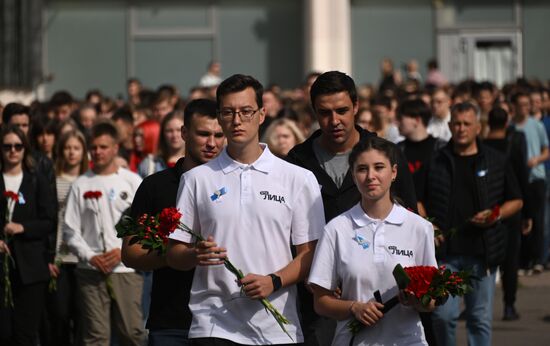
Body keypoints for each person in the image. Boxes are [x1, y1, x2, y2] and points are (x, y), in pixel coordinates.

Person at [166, 74, 325, 345]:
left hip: (277, 329)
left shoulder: (298, 178)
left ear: (262, 114)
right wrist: (195, 253)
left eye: (246, 111)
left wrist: (273, 281)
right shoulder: (195, 179)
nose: (237, 120)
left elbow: (310, 254)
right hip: (213, 325)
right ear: (219, 116)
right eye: (228, 112)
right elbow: (174, 254)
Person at [286, 71, 417, 346]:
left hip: (381, 297)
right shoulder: (297, 161)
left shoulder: (385, 155)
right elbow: (286, 231)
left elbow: (410, 224)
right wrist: (316, 276)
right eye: (325, 113)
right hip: (317, 299)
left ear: (356, 106)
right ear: (314, 112)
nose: (334, 121)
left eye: (342, 110)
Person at [308, 136, 437, 346]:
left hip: (407, 341)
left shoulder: (419, 228)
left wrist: (417, 301)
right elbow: (321, 302)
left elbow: (431, 300)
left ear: (394, 172)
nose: (371, 176)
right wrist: (353, 308)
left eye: (379, 167)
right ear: (353, 175)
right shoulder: (336, 229)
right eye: (362, 169)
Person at [122, 98, 225, 346]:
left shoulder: (236, 184)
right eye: (203, 134)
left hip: (225, 322)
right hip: (171, 321)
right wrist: (176, 255)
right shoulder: (155, 186)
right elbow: (130, 252)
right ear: (184, 133)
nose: (212, 143)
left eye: (219, 135)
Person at [420, 102, 523, 346]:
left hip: (482, 253)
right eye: (456, 123)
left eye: (467, 124)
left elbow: (517, 200)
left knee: (479, 318)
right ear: (449, 125)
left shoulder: (496, 160)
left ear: (479, 127)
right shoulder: (437, 160)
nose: (461, 129)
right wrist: (428, 225)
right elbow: (418, 198)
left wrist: (495, 214)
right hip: (445, 254)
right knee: (443, 316)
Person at [63, 121, 146, 346]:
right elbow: (70, 230)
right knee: (96, 336)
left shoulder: (131, 181)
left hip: (125, 268)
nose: (97, 152)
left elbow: (146, 223)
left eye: (103, 147)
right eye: (94, 147)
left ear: (115, 148)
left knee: (132, 333)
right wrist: (90, 256)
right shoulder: (81, 183)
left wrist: (124, 252)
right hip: (91, 270)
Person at [0, 125, 56, 345]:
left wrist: (23, 228)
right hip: (3, 265)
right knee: (4, 331)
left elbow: (49, 220)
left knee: (25, 331)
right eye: (7, 146)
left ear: (25, 149)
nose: (13, 151)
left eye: (18, 146)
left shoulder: (36, 179)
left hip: (31, 266)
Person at [42, 130, 89, 345]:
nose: (72, 153)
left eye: (76, 148)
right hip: (59, 258)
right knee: (59, 316)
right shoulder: (53, 180)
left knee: (82, 317)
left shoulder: (89, 180)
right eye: (68, 148)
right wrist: (49, 256)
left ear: (83, 152)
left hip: (84, 259)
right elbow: (49, 220)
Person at [484, 107, 530, 321]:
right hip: (511, 209)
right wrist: (527, 212)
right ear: (506, 122)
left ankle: (477, 304)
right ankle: (509, 305)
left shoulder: (480, 145)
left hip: (486, 209)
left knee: (483, 259)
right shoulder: (514, 143)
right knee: (510, 261)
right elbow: (523, 178)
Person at [511, 91, 549, 275]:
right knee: (520, 221)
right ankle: (523, 260)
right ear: (515, 106)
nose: (525, 107)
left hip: (536, 177)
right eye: (522, 104)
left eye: (528, 104)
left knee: (538, 219)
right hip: (518, 179)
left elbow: (546, 150)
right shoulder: (511, 126)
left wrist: (537, 159)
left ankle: (537, 259)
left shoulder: (537, 125)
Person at [396, 99, 447, 213]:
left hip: (436, 213)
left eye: (400, 119)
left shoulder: (442, 148)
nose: (397, 123)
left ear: (417, 120)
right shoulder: (397, 150)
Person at [138, 110, 185, 177]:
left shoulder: (196, 163)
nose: (174, 135)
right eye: (169, 131)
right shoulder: (150, 163)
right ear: (163, 133)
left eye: (178, 130)